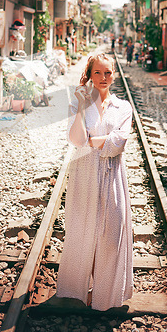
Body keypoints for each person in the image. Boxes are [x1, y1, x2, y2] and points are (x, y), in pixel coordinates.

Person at [56, 53, 133, 311]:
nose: (103, 78)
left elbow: (117, 144)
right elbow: (77, 140)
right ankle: (78, 290)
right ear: (88, 75)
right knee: (81, 233)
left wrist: (94, 140)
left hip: (112, 178)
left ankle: (105, 294)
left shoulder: (124, 108)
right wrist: (80, 105)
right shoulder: (78, 105)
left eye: (107, 72)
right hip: (83, 176)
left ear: (114, 74)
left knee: (112, 235)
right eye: (97, 73)